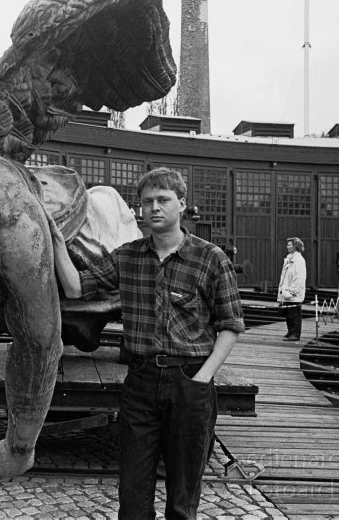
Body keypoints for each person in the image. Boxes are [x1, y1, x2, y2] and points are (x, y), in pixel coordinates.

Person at [52, 167, 244, 520]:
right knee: (133, 494)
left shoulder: (210, 258)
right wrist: (53, 235)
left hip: (190, 382)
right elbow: (77, 287)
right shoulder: (127, 257)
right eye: (146, 202)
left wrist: (202, 378)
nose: (154, 208)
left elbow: (231, 325)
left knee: (183, 495)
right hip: (140, 381)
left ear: (181, 204)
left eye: (162, 200)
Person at [278, 237, 307, 341]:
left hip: (293, 293)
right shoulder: (289, 258)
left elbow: (299, 278)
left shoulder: (299, 260)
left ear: (296, 246)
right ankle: (290, 331)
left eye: (290, 245)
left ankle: (295, 334)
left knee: (294, 314)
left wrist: (292, 291)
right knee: (289, 314)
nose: (288, 246)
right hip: (287, 292)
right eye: (288, 245)